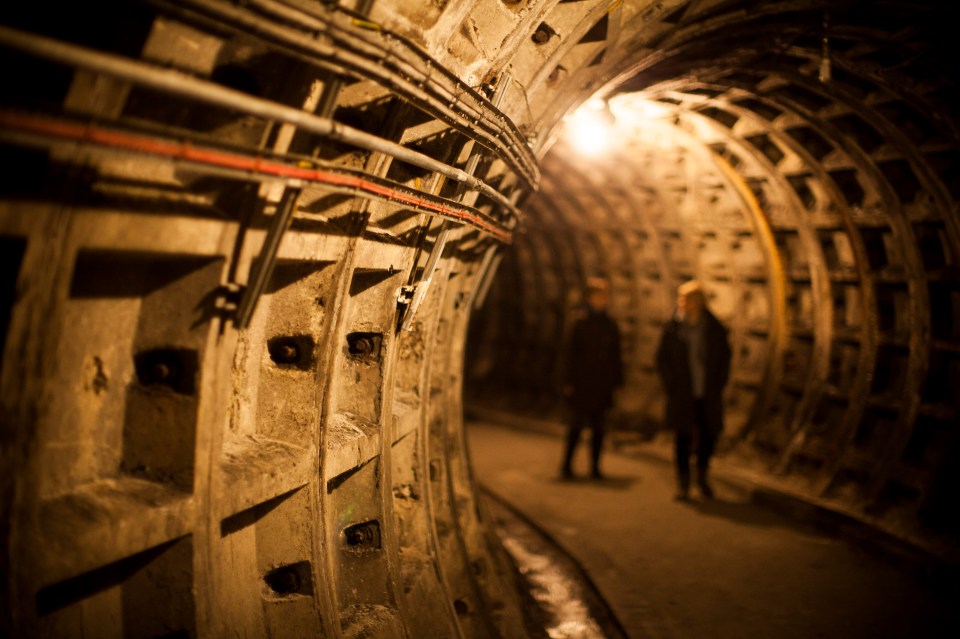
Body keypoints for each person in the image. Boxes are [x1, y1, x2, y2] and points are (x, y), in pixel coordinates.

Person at [655, 281, 731, 500]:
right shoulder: (673, 329)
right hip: (682, 394)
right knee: (682, 438)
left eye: (685, 299)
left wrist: (718, 383)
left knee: (708, 436)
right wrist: (671, 385)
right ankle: (684, 483)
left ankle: (702, 476)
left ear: (697, 302)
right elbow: (662, 359)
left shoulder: (714, 329)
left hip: (706, 392)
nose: (681, 303)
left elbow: (724, 358)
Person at [560, 277, 623, 479]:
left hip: (601, 384)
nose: (601, 300)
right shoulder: (579, 323)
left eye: (604, 296)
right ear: (589, 298)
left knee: (598, 428)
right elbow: (570, 354)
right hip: (582, 383)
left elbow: (616, 355)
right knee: (576, 426)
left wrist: (617, 381)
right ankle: (567, 465)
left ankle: (595, 467)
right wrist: (568, 382)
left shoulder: (610, 324)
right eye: (598, 296)